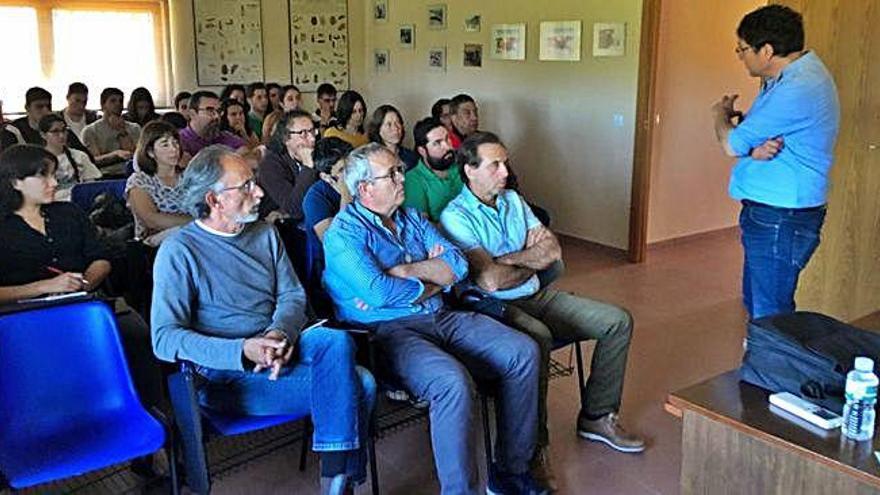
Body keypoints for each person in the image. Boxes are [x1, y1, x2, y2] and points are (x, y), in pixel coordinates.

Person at [322, 142, 547, 495]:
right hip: (387, 332)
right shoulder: (343, 234)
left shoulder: (410, 216)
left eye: (400, 170)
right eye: (392, 174)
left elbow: (457, 266)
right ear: (365, 189)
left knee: (524, 351)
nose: (402, 178)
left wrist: (406, 271)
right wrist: (431, 277)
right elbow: (380, 293)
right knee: (452, 382)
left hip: (441, 315)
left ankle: (511, 470)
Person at [150, 145, 375, 494]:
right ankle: (339, 481)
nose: (259, 193)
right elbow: (164, 339)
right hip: (228, 375)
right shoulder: (179, 251)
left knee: (335, 339)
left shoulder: (264, 234)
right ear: (214, 199)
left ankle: (335, 479)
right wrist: (244, 350)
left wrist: (278, 333)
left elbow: (292, 295)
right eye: (246, 186)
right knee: (362, 384)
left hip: (282, 348)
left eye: (255, 182)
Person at [441, 133, 645, 487]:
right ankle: (535, 449)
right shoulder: (455, 216)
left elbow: (553, 250)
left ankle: (597, 415)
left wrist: (511, 261)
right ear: (469, 171)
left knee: (617, 321)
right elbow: (489, 281)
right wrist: (527, 260)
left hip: (535, 295)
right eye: (495, 165)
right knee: (538, 339)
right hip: (493, 309)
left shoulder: (514, 200)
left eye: (505, 162)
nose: (505, 172)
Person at [0, 144, 164, 411]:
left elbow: (101, 258)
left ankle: (145, 412)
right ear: (16, 181)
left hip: (82, 299)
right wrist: (45, 287)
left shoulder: (69, 213)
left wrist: (84, 282)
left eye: (53, 174)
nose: (54, 182)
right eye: (43, 176)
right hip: (23, 313)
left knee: (134, 334)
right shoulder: (3, 228)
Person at [712, 4, 839, 319]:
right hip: (775, 211)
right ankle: (762, 361)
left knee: (771, 309)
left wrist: (719, 116)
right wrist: (751, 149)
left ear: (766, 50)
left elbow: (731, 144)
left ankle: (773, 366)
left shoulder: (798, 87)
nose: (740, 56)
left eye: (742, 49)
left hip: (781, 216)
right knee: (759, 300)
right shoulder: (786, 79)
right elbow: (751, 142)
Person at [302, 137, 352, 315]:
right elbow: (337, 243)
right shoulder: (315, 198)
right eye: (342, 170)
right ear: (326, 177)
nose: (351, 173)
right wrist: (346, 193)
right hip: (331, 265)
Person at [127, 121, 191, 243]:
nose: (174, 149)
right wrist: (197, 222)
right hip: (153, 245)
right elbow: (151, 220)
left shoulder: (189, 176)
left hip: (191, 235)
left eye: (175, 143)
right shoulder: (139, 180)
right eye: (165, 145)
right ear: (150, 152)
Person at [257, 110, 319, 221]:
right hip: (281, 228)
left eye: (312, 131)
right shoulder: (270, 165)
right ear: (286, 138)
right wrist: (308, 167)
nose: (312, 138)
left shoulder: (317, 152)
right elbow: (295, 209)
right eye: (303, 133)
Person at [403, 117, 462, 222]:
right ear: (422, 151)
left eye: (447, 138)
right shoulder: (413, 179)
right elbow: (422, 228)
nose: (447, 147)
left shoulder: (462, 166)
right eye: (437, 143)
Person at [11, 87, 93, 160]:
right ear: (27, 108)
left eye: (48, 106)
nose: (45, 111)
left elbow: (88, 158)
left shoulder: (62, 129)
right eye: (39, 107)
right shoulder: (14, 131)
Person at [39, 114, 102, 201]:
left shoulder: (80, 156)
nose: (61, 135)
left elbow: (91, 185)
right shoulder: (37, 160)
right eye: (55, 132)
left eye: (64, 130)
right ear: (43, 135)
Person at [81, 87, 141, 176]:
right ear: (103, 105)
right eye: (113, 101)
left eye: (120, 101)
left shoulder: (135, 128)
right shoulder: (90, 131)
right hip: (105, 175)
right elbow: (93, 160)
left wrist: (122, 131)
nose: (118, 104)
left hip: (132, 174)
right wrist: (115, 155)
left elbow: (136, 156)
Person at [180, 91, 246, 158]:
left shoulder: (224, 136)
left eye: (219, 111)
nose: (217, 116)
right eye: (210, 111)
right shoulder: (180, 141)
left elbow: (247, 153)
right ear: (192, 114)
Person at [366, 104, 419, 171]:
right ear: (378, 129)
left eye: (398, 122)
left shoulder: (411, 157)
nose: (395, 128)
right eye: (389, 124)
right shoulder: (370, 158)